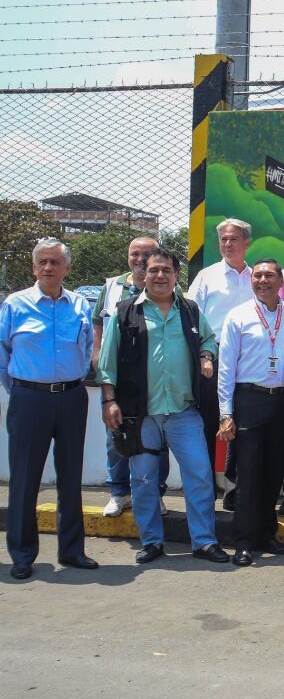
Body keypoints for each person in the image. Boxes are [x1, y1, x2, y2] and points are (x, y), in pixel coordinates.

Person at [98, 248, 227, 565]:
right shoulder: (125, 312)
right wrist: (109, 401)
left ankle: (204, 542)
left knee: (199, 475)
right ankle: (152, 541)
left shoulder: (191, 311)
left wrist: (206, 356)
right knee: (142, 480)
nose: (159, 275)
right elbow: (107, 363)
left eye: (166, 270)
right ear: (144, 272)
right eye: (153, 269)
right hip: (141, 416)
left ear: (175, 275)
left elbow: (209, 340)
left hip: (184, 412)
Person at [1, 238, 96, 580]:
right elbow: (3, 353)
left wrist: (69, 383)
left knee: (71, 477)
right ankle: (23, 554)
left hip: (71, 398)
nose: (48, 268)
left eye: (55, 262)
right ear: (33, 267)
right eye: (42, 262)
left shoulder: (79, 305)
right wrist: (25, 389)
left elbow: (86, 349)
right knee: (25, 479)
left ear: (67, 268)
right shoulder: (16, 304)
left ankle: (72, 551)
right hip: (29, 399)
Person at [217, 259, 284, 566]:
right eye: (258, 276)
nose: (263, 280)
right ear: (251, 281)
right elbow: (226, 369)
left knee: (274, 473)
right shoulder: (238, 316)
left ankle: (267, 534)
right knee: (249, 474)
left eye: (270, 275)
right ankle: (244, 540)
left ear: (282, 281)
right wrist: (225, 413)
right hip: (249, 400)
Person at [91, 233, 159, 518]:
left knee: (156, 439)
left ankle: (156, 494)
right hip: (117, 378)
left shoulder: (168, 285)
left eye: (147, 255)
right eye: (135, 254)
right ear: (128, 257)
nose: (140, 260)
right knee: (116, 436)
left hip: (153, 378)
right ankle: (119, 492)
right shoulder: (111, 287)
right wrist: (98, 359)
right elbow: (98, 326)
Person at [189, 217, 254, 508]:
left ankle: (234, 491)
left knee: (242, 426)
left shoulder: (258, 278)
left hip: (249, 361)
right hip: (212, 360)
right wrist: (203, 355)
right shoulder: (206, 277)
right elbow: (191, 318)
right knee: (207, 426)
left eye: (234, 239)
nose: (228, 244)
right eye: (223, 239)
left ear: (246, 242)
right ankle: (204, 495)